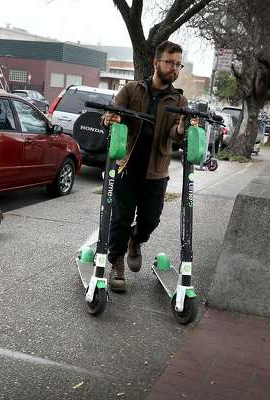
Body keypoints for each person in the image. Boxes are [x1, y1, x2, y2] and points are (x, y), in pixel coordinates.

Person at [102, 40, 189, 293]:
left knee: (150, 220)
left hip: (157, 171)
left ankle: (136, 239)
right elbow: (109, 115)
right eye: (169, 62)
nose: (174, 68)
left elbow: (175, 132)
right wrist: (111, 118)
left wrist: (181, 129)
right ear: (156, 62)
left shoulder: (178, 100)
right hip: (127, 167)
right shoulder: (131, 90)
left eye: (178, 64)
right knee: (120, 219)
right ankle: (116, 264)